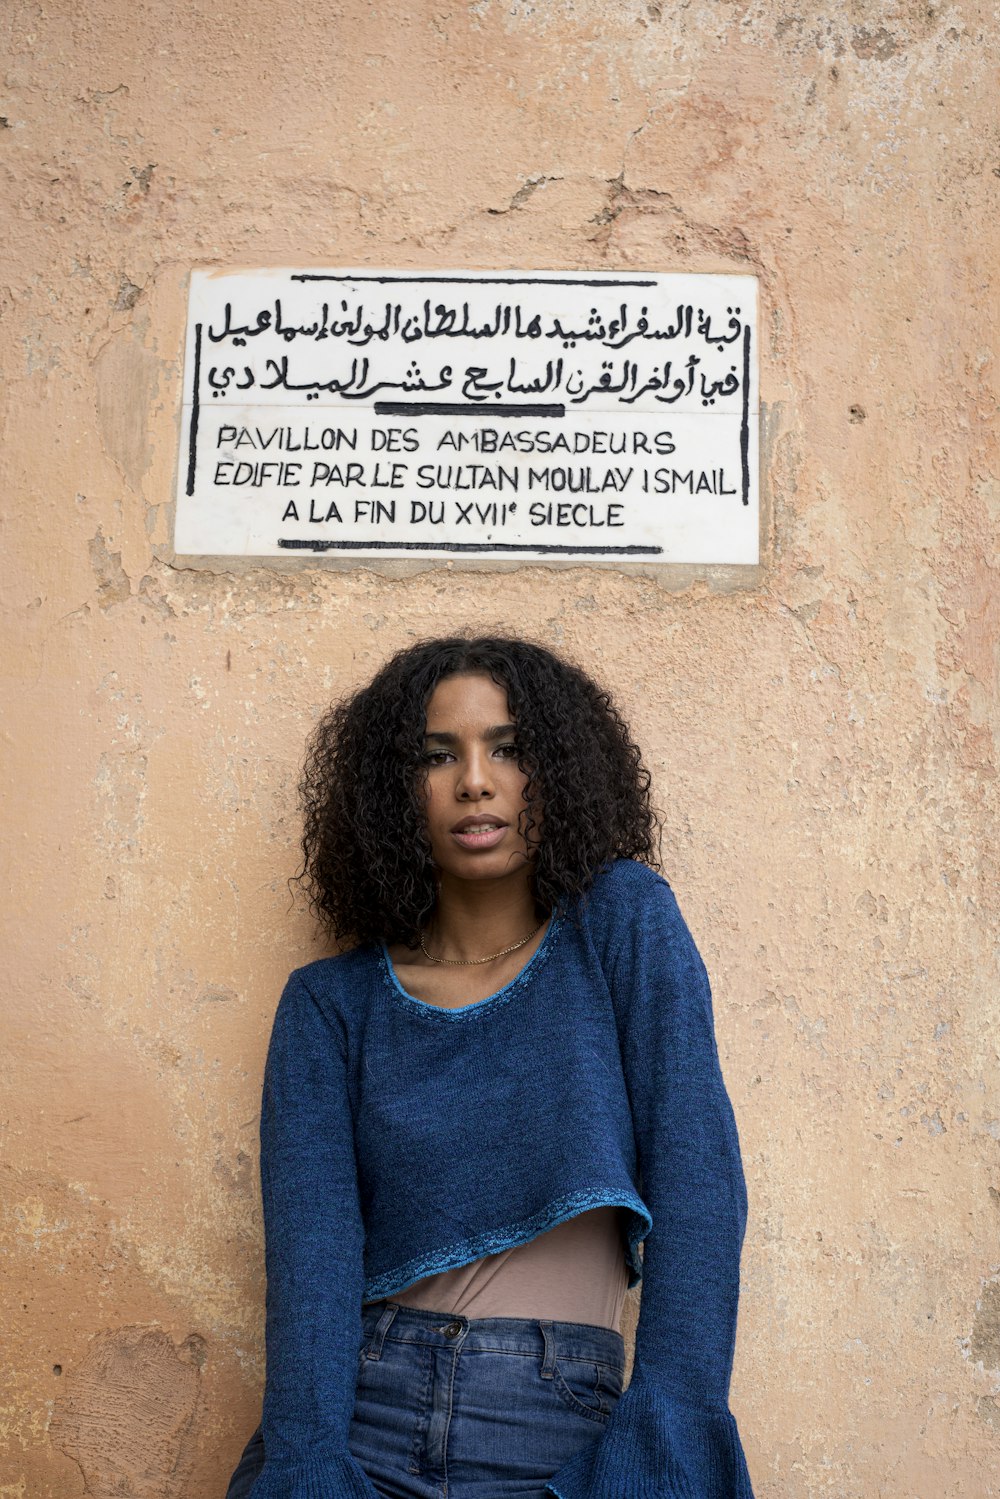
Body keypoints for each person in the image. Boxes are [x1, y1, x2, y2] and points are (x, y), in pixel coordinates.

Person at [225, 634, 756, 1499]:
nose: (476, 779)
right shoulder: (330, 1005)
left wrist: (667, 1423)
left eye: (508, 748)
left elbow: (700, 1179)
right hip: (366, 1422)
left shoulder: (621, 924)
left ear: (558, 770)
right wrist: (309, 1460)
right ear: (394, 793)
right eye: (439, 756)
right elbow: (310, 1266)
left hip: (556, 1417)